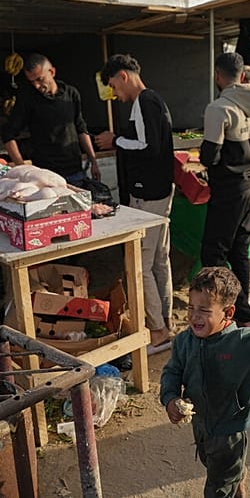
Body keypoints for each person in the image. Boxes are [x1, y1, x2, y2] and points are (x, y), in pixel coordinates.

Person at [160, 267, 250, 498]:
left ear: (228, 312)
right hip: (201, 426)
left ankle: (233, 479)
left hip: (230, 433)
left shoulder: (241, 341)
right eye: (191, 307)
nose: (194, 316)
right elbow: (172, 372)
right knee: (214, 466)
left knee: (218, 488)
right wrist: (170, 398)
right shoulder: (183, 341)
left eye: (204, 310)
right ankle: (237, 477)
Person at [95, 54, 176, 351]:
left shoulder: (144, 101)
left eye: (114, 86)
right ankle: (166, 321)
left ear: (123, 76)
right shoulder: (154, 100)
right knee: (159, 260)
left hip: (149, 195)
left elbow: (147, 145)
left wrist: (115, 140)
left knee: (140, 265)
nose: (114, 93)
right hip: (160, 191)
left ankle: (157, 330)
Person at [200, 52, 250, 327]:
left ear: (218, 75)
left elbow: (209, 156)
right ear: (241, 75)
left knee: (213, 253)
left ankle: (242, 313)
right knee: (239, 251)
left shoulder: (219, 108)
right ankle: (241, 312)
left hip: (230, 190)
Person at [1, 53, 100, 184]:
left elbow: (81, 127)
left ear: (52, 72)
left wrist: (93, 160)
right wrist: (22, 169)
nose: (36, 85)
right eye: (32, 82)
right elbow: (8, 134)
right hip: (46, 175)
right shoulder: (28, 100)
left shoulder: (71, 94)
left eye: (40, 79)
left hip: (75, 171)